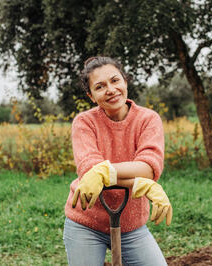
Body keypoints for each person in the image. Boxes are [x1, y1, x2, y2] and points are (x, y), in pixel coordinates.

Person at [63, 56, 173, 266]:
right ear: (91, 96)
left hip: (131, 226)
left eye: (115, 81)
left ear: (125, 81)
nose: (111, 90)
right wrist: (138, 184)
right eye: (100, 86)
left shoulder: (147, 119)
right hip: (85, 222)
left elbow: (148, 167)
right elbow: (90, 171)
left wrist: (106, 172)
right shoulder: (85, 122)